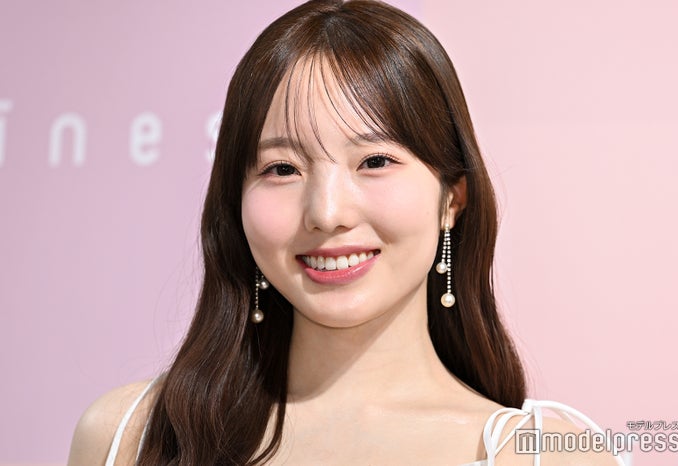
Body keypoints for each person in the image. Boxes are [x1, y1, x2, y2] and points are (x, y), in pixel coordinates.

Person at [68, 1, 622, 465]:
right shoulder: (129, 437)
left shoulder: (544, 454)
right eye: (282, 168)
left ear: (452, 199)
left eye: (375, 161)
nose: (327, 212)